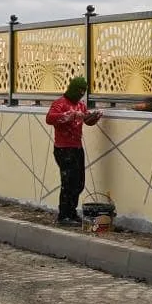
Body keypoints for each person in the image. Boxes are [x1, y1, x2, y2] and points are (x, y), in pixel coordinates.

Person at [44, 77, 102, 225]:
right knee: (68, 182)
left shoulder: (81, 105)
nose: (81, 94)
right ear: (72, 89)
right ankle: (64, 215)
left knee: (79, 183)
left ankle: (72, 212)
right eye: (79, 90)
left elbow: (87, 121)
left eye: (83, 91)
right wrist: (70, 115)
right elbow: (50, 119)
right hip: (63, 149)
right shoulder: (60, 103)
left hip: (77, 148)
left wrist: (94, 117)